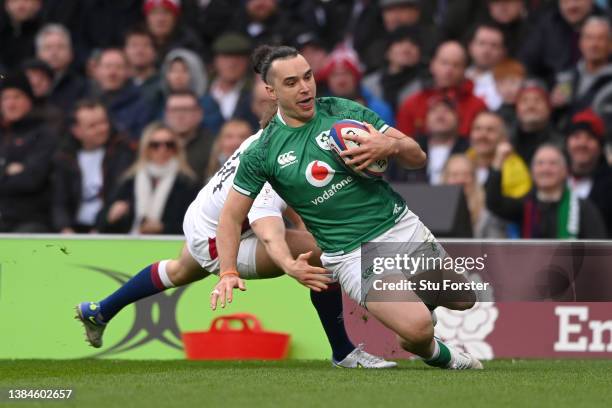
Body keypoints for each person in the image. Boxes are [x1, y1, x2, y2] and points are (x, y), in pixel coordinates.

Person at [216, 45, 483, 370]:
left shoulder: (343, 110)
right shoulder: (263, 151)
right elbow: (231, 216)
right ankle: (437, 352)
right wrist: (228, 271)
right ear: (271, 91)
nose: (304, 88)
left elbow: (418, 157)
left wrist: (391, 145)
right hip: (352, 254)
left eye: (308, 77)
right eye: (291, 83)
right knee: (419, 329)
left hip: (400, 225)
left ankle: (409, 318)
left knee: (464, 299)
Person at [75, 125, 397, 369]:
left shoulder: (266, 139)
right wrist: (289, 263)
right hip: (221, 238)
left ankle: (100, 310)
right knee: (327, 253)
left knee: (176, 271)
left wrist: (304, 227)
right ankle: (344, 352)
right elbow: (268, 227)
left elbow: (292, 203)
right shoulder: (270, 168)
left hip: (204, 216)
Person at [486, 143, 608, 238]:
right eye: (540, 163)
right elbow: (494, 203)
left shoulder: (583, 207)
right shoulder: (525, 205)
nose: (545, 169)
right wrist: (499, 161)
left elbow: (597, 248)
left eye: (553, 163)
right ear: (532, 172)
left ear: (565, 171)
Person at [97, 122, 199, 234]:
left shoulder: (188, 183)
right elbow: (100, 221)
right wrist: (111, 216)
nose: (162, 149)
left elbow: (196, 224)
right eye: (155, 145)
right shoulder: (129, 181)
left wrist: (163, 228)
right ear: (146, 148)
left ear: (176, 148)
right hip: (130, 246)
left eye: (169, 144)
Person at [52, 100, 134, 233]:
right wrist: (64, 228)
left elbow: (120, 195)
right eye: (93, 126)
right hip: (74, 229)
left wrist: (99, 228)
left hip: (109, 229)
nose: (102, 129)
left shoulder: (122, 153)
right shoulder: (64, 158)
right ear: (77, 131)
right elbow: (59, 201)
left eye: (104, 122)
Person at [0, 71, 57, 232]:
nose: (10, 104)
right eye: (5, 98)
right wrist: (8, 170)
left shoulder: (44, 134)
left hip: (30, 220)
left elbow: (32, 179)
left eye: (17, 97)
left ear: (29, 100)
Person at [396, 41, 487, 138]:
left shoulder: (477, 106)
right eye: (444, 63)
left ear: (464, 70)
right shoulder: (412, 104)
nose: (449, 70)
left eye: (456, 65)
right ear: (432, 64)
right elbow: (402, 141)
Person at [442, 154, 509, 238]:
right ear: (445, 178)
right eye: (454, 175)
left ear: (474, 178)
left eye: (466, 175)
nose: (460, 179)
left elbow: (496, 246)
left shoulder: (488, 209)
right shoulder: (435, 209)